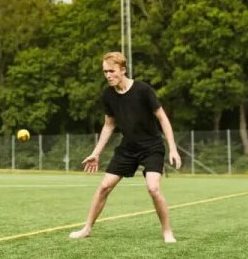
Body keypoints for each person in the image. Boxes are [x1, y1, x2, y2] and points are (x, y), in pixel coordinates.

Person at [69, 52, 182, 243]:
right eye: (105, 71)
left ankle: (167, 231)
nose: (108, 75)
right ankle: (86, 228)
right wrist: (96, 153)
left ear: (123, 70)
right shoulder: (108, 95)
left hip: (151, 146)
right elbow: (109, 125)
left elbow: (162, 118)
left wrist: (172, 148)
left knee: (153, 188)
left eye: (111, 71)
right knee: (104, 187)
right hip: (128, 148)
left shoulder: (143, 90)